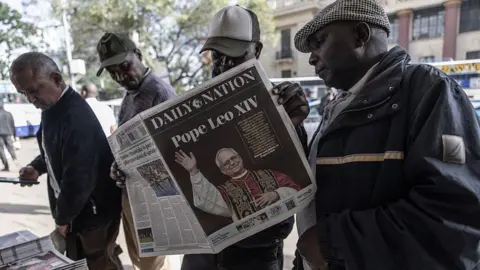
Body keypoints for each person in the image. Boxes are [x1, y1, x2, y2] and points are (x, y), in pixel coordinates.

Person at [291, 0, 480, 269]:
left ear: (360, 35)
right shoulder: (340, 105)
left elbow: (453, 220)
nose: (311, 58)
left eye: (320, 42)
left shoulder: (430, 91)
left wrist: (332, 241)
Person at [178, 5, 310, 270]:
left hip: (256, 255)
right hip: (202, 253)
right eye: (217, 56)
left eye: (235, 56)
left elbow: (299, 182)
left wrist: (293, 124)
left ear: (257, 52)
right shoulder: (190, 106)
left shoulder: (280, 103)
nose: (224, 65)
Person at [10, 52, 123, 270]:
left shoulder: (74, 116)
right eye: (24, 93)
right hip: (79, 211)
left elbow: (78, 178)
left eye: (34, 90)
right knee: (85, 259)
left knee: (98, 261)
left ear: (56, 79)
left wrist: (62, 220)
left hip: (93, 211)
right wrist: (36, 167)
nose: (31, 99)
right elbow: (51, 148)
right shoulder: (52, 108)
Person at [97, 32, 176, 270]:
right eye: (112, 73)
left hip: (154, 198)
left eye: (124, 66)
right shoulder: (130, 95)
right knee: (142, 260)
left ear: (139, 55)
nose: (120, 76)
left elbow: (173, 153)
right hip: (133, 194)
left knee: (155, 263)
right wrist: (118, 166)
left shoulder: (160, 92)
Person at [175, 148, 301, 220]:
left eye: (233, 158)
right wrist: (193, 171)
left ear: (240, 158)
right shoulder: (224, 191)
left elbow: (297, 191)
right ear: (223, 171)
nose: (232, 163)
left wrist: (276, 194)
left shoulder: (268, 174)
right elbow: (206, 200)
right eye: (226, 163)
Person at [0, 100, 17, 171]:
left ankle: (6, 166)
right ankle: (16, 162)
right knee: (11, 148)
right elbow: (13, 125)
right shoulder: (8, 114)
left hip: (0, 134)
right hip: (8, 134)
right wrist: (15, 135)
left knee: (1, 150)